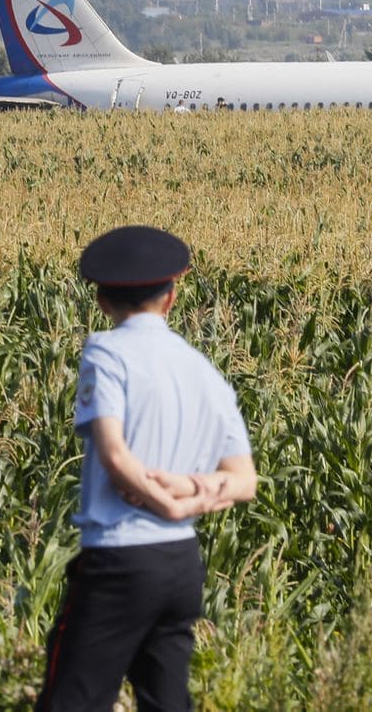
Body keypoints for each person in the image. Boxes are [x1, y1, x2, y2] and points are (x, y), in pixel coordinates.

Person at [36, 225, 257, 711]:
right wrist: (190, 490)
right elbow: (244, 480)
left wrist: (164, 502)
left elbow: (114, 454)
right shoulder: (203, 369)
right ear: (171, 297)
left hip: (119, 559)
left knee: (70, 700)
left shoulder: (107, 352)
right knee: (167, 702)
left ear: (101, 300)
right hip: (180, 563)